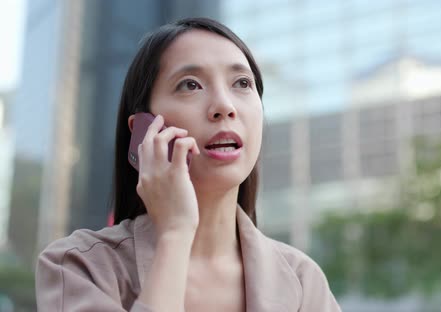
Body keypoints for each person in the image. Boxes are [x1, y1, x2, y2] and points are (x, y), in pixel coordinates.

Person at [35, 17, 341, 312]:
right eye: (190, 85)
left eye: (243, 83)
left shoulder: (302, 280)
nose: (224, 106)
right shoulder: (78, 266)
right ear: (143, 130)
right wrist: (175, 234)